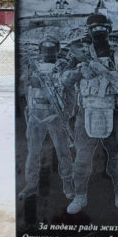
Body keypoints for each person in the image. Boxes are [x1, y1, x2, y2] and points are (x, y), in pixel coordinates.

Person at [61, 13, 118, 216]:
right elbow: (64, 79)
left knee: (116, 158)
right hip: (86, 111)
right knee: (82, 159)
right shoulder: (79, 53)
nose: (100, 32)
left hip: (112, 112)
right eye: (95, 28)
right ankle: (80, 195)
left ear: (109, 29)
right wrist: (80, 71)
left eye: (103, 28)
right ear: (89, 30)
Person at [19, 34, 75, 199]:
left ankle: (67, 184)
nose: (48, 51)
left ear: (57, 49)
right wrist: (30, 81)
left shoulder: (63, 67)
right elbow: (24, 91)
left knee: (63, 150)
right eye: (45, 47)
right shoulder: (32, 68)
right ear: (40, 49)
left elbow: (71, 93)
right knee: (33, 152)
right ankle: (31, 184)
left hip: (56, 115)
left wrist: (66, 113)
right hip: (36, 115)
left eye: (51, 48)